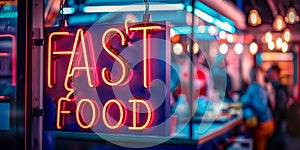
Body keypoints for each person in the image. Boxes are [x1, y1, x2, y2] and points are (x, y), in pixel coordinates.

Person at [241, 66, 274, 150]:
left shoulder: (253, 87)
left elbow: (259, 107)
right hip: (269, 122)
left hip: (261, 125)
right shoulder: (262, 87)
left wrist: (245, 104)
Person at [265, 65, 289, 150]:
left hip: (278, 126)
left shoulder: (280, 90)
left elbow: (281, 108)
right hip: (277, 125)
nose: (268, 75)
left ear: (275, 73)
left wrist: (274, 120)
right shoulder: (273, 89)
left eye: (270, 72)